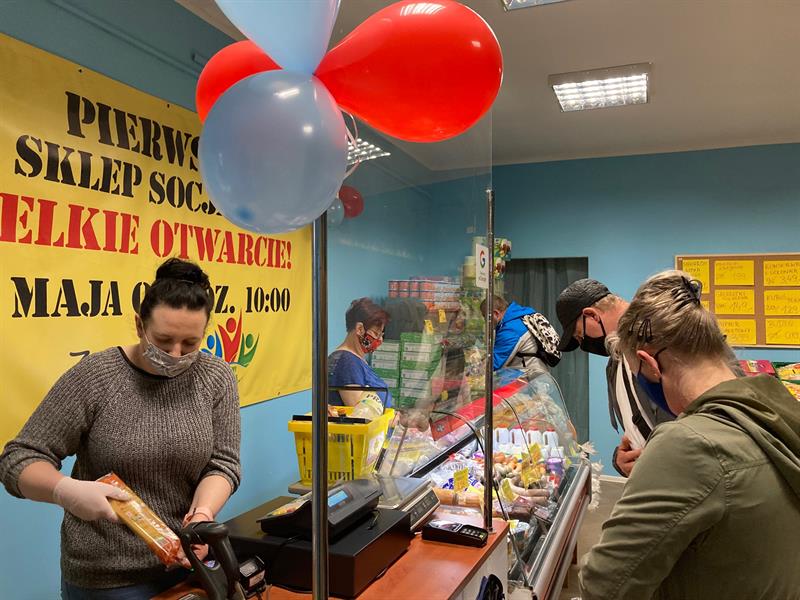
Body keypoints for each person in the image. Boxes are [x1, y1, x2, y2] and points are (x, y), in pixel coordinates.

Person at [0, 258, 241, 599]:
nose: (176, 354)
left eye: (190, 343)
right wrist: (64, 490)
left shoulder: (215, 377)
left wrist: (202, 515)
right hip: (107, 579)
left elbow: (223, 463)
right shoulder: (97, 377)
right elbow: (18, 459)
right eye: (163, 341)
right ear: (140, 325)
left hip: (188, 563)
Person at [579, 270, 800, 600]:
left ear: (649, 364)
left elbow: (604, 585)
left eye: (638, 375)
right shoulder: (777, 411)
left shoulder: (688, 444)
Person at [556, 278, 674, 476]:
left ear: (592, 315)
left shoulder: (658, 340)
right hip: (654, 476)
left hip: (677, 476)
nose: (584, 344)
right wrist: (621, 459)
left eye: (580, 335)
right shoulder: (617, 358)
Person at [328, 298, 392, 408]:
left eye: (381, 335)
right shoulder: (347, 362)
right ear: (359, 329)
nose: (380, 340)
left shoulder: (356, 359)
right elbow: (361, 412)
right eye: (376, 334)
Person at [480, 295, 554, 376]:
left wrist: (475, 367)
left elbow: (494, 364)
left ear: (496, 313)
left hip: (529, 378)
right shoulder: (519, 317)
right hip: (538, 374)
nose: (486, 321)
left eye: (485, 316)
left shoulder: (510, 329)